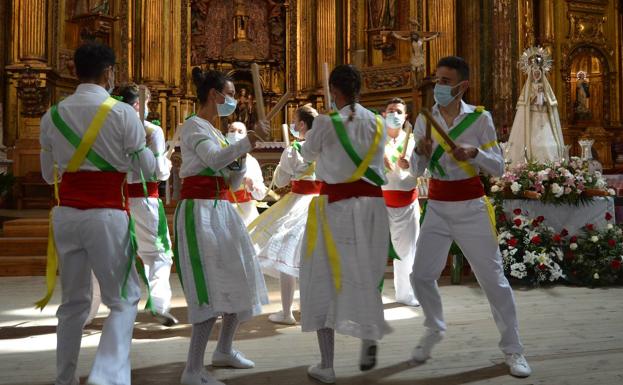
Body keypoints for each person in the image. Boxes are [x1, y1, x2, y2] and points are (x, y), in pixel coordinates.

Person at [38, 42, 156, 385]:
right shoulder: (122, 114)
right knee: (124, 299)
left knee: (73, 303)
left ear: (75, 71)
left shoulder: (53, 115)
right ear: (109, 73)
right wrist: (144, 140)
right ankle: (106, 378)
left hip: (66, 216)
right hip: (106, 215)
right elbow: (147, 170)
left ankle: (64, 379)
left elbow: (49, 175)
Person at [410, 56, 531, 378]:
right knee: (420, 276)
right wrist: (419, 153)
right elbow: (415, 170)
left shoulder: (479, 119)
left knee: (493, 281)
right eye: (437, 80)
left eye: (446, 82)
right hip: (436, 206)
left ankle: (513, 349)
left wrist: (475, 153)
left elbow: (499, 166)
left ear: (462, 86)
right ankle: (434, 327)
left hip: (471, 206)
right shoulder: (425, 119)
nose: (439, 87)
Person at [175, 67, 270, 385]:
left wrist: (243, 160)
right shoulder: (193, 127)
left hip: (222, 209)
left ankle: (224, 350)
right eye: (229, 94)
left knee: (238, 279)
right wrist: (246, 143)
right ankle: (192, 369)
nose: (233, 99)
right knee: (209, 287)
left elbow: (229, 176)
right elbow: (214, 160)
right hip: (199, 212)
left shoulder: (215, 130)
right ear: (214, 95)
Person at [300, 64, 391, 384]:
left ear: (334, 91)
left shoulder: (325, 122)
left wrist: (314, 135)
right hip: (374, 207)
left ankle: (327, 364)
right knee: (365, 275)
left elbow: (306, 154)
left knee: (323, 276)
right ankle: (369, 338)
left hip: (337, 207)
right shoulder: (378, 122)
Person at [249, 104, 321, 325]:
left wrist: (284, 167)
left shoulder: (294, 149)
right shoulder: (327, 146)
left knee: (286, 257)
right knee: (316, 258)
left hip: (298, 202)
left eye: (294, 120)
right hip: (323, 203)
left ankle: (287, 312)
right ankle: (315, 309)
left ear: (301, 124)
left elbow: (280, 182)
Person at [117, 83, 178, 326]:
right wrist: (167, 166)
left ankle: (96, 310)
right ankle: (160, 305)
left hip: (116, 198)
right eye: (148, 103)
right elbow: (157, 171)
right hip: (143, 198)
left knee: (117, 254)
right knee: (158, 254)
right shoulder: (152, 130)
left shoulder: (110, 128)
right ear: (138, 105)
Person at [381, 97, 419, 307]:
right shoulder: (375, 142)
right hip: (380, 202)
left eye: (398, 111)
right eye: (390, 110)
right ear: (383, 115)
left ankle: (406, 294)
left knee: (406, 251)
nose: (394, 114)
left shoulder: (414, 141)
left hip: (406, 203)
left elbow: (424, 169)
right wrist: (378, 161)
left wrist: (410, 165)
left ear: (406, 117)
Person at [505, 56, 565, 164]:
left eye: (538, 73)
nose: (536, 75)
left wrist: (544, 99)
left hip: (544, 117)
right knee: (532, 142)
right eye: (534, 73)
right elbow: (524, 102)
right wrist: (533, 98)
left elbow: (551, 101)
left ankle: (551, 164)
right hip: (532, 117)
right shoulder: (528, 87)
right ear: (531, 74)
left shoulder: (546, 87)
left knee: (548, 144)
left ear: (541, 74)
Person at [225, 121, 267, 225]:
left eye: (240, 131)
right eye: (232, 131)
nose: (235, 134)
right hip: (224, 209)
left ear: (245, 137)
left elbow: (261, 195)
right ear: (226, 135)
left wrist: (252, 186)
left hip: (246, 212)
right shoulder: (220, 158)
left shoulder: (251, 161)